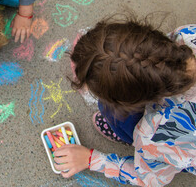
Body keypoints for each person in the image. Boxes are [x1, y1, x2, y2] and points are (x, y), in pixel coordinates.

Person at [54, 14, 196, 186]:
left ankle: (156, 151)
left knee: (115, 115)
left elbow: (149, 179)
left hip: (183, 144)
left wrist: (91, 159)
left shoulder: (154, 134)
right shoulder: (187, 34)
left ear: (130, 102)